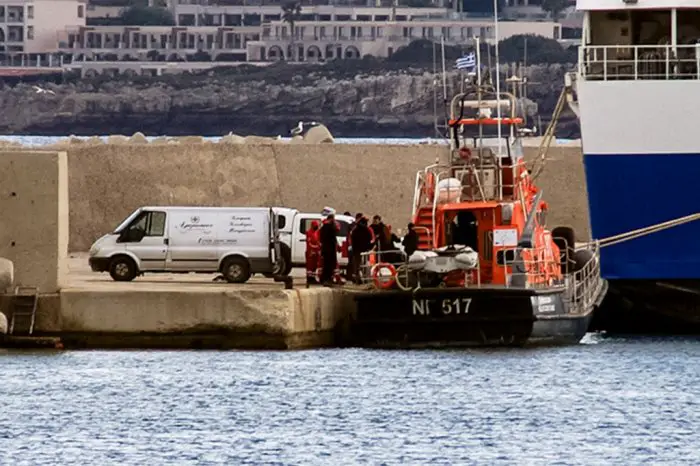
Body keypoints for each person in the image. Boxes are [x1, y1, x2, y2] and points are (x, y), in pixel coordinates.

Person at [350, 216, 373, 284]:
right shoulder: (367, 230)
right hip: (365, 249)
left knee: (357, 265)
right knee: (365, 264)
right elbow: (370, 238)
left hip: (356, 250)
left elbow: (353, 239)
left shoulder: (355, 230)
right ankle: (365, 278)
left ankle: (357, 279)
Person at [319, 213, 339, 285]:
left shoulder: (324, 227)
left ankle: (325, 279)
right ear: (331, 219)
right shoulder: (329, 227)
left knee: (326, 265)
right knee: (328, 266)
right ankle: (327, 279)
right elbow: (333, 238)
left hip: (326, 249)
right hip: (329, 249)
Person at [305, 220, 321, 285]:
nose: (316, 227)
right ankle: (309, 279)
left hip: (316, 251)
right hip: (310, 252)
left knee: (314, 266)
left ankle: (313, 278)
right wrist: (315, 247)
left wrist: (318, 246)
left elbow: (317, 241)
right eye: (315, 226)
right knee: (310, 267)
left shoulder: (316, 232)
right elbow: (309, 243)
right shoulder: (309, 232)